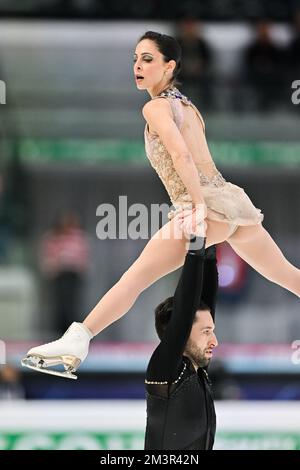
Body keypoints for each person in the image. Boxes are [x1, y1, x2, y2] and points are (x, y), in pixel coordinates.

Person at [21, 30, 300, 379]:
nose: (138, 66)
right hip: (233, 204)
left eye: (148, 59)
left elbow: (180, 154)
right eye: (135, 59)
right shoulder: (188, 106)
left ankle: (76, 342)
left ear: (170, 66)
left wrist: (196, 206)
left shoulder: (155, 107)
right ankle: (77, 341)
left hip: (203, 204)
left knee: (134, 279)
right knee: (289, 276)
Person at [145, 236, 218, 450]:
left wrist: (211, 247)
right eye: (206, 332)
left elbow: (207, 299)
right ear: (182, 331)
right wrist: (197, 245)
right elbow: (185, 307)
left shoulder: (197, 370)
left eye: (212, 331)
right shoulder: (166, 371)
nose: (214, 341)